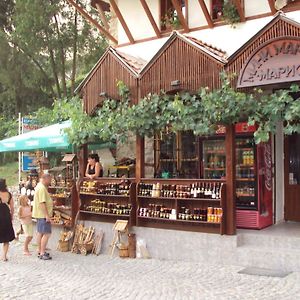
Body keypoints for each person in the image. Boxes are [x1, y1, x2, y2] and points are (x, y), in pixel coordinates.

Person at [32, 173, 53, 260]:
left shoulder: (39, 186)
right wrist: (47, 216)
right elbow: (42, 203)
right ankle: (42, 252)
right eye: (50, 179)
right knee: (46, 234)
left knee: (40, 233)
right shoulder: (41, 188)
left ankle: (39, 250)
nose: (50, 181)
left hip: (39, 214)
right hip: (42, 215)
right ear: (45, 179)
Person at [0, 178, 15, 261]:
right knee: (6, 237)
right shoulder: (9, 194)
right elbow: (12, 207)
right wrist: (11, 216)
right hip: (6, 216)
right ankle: (4, 256)